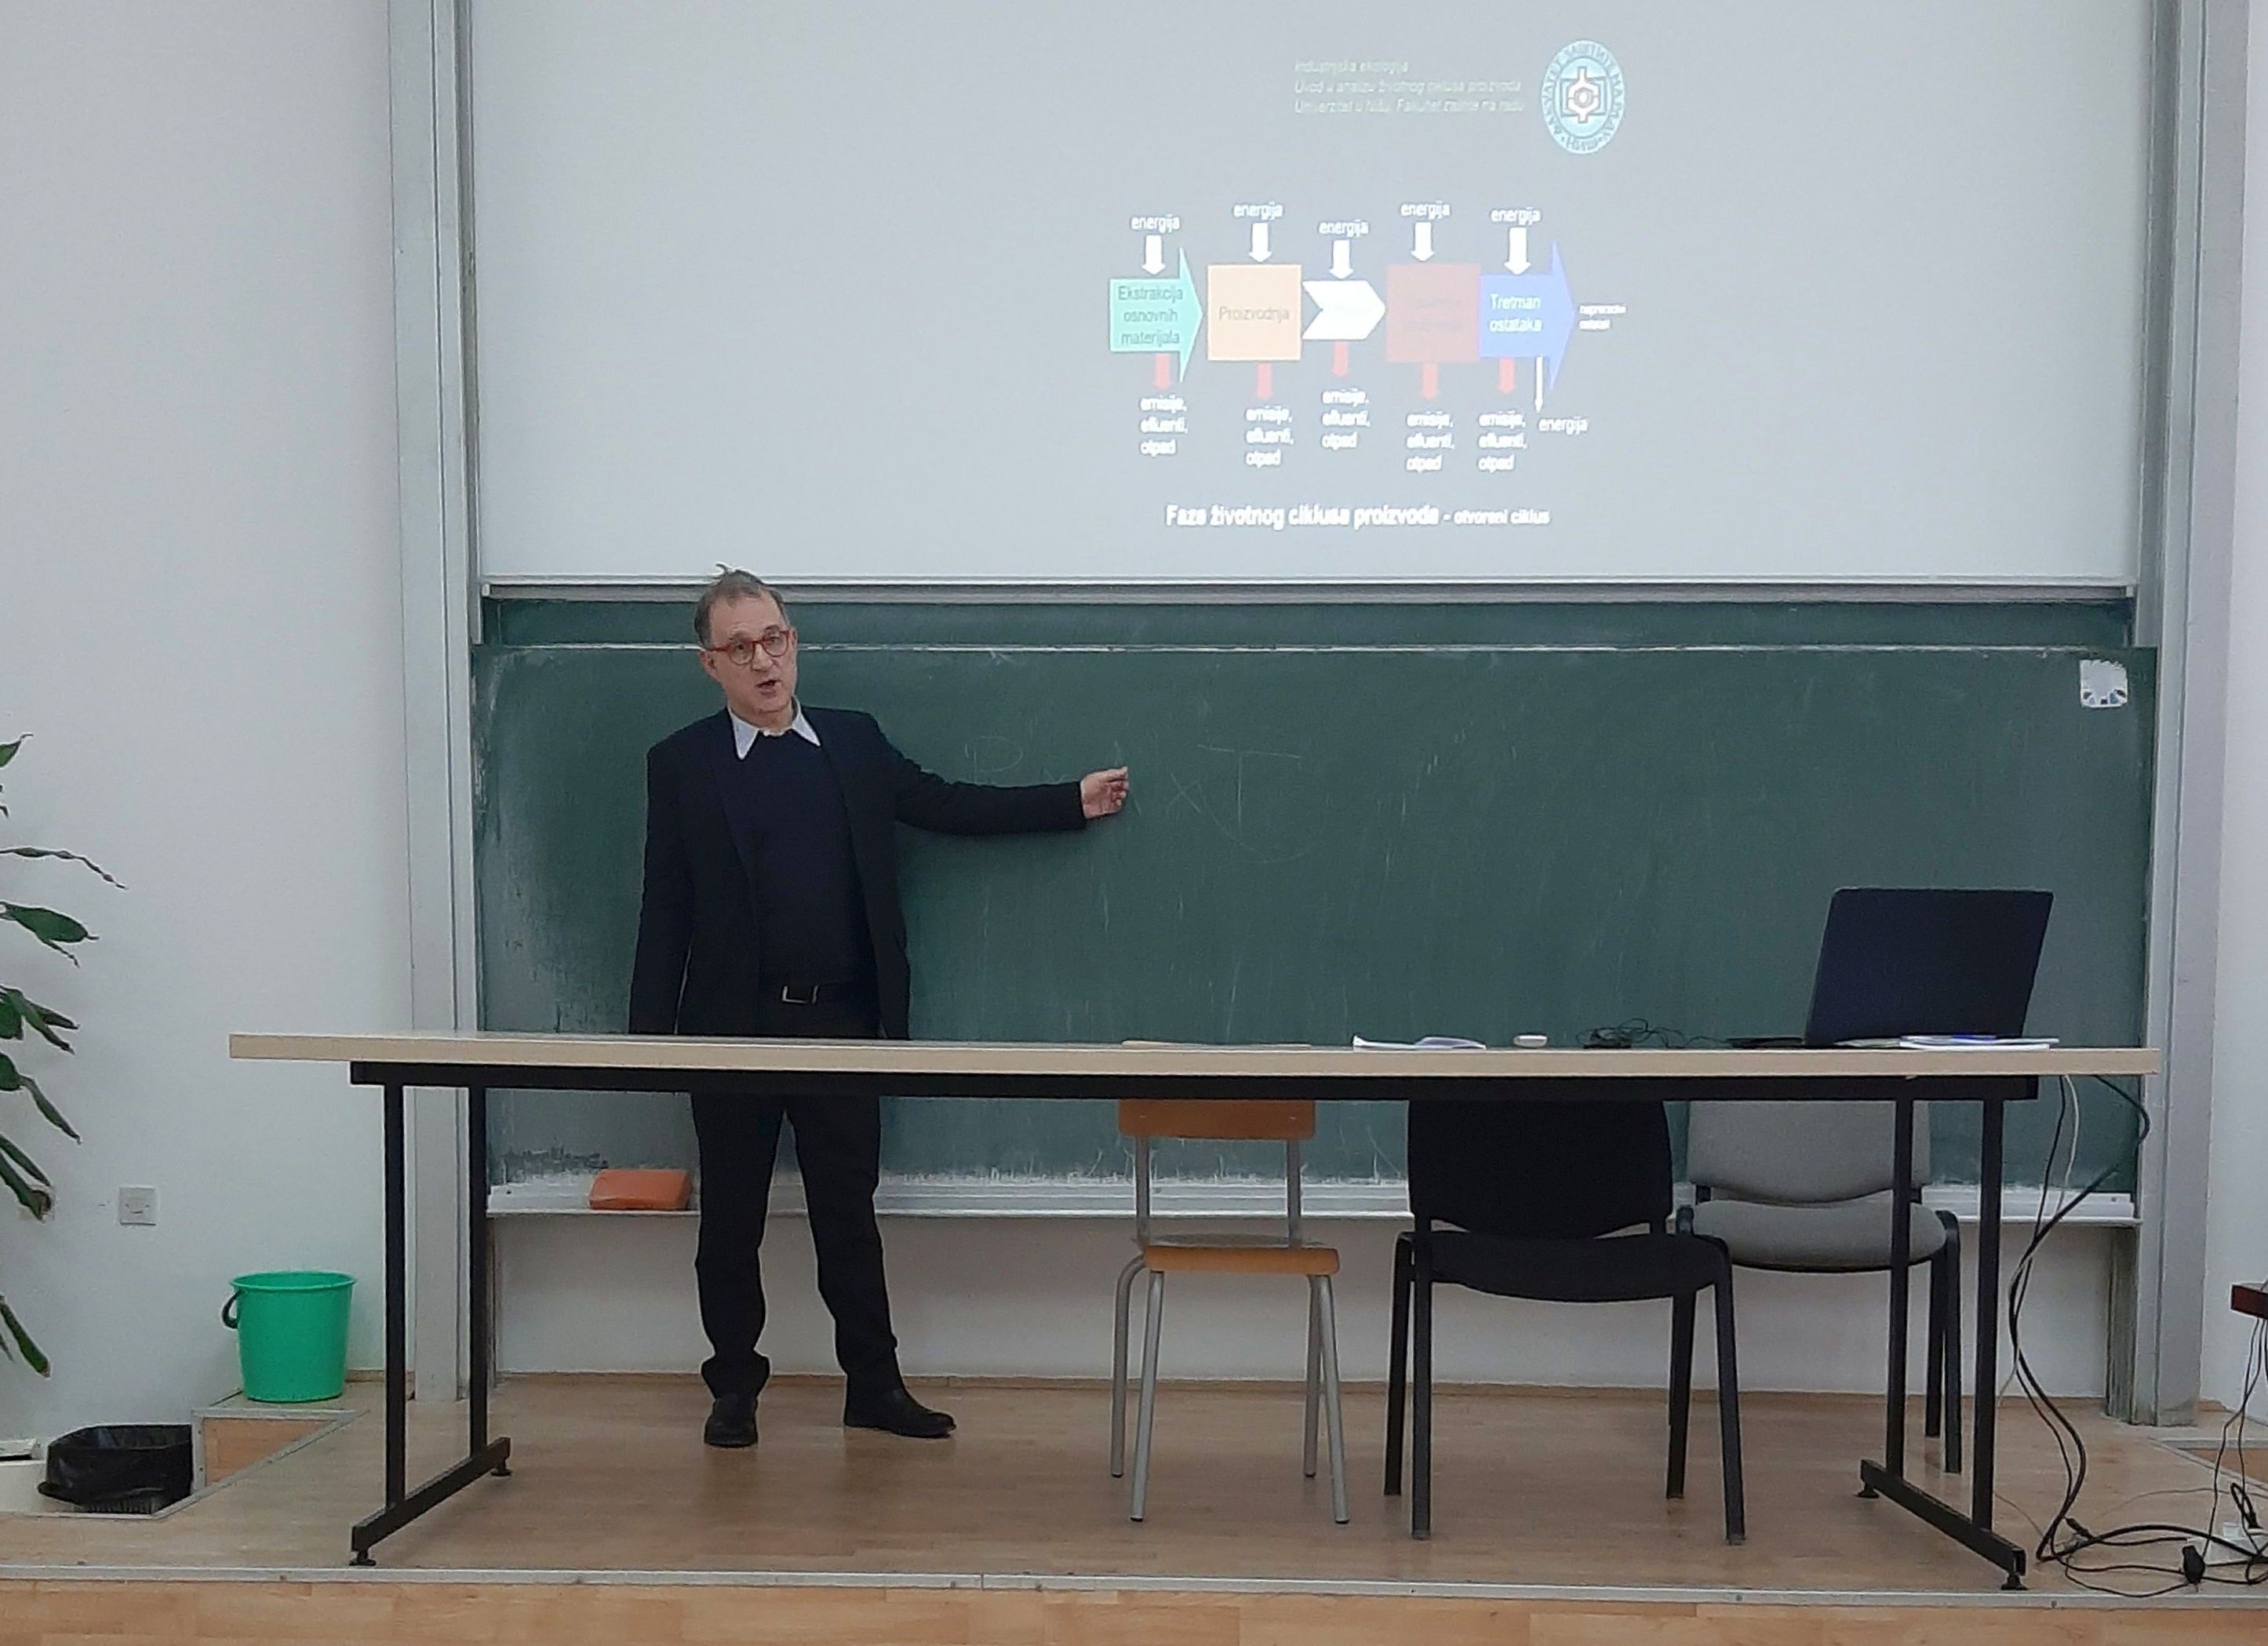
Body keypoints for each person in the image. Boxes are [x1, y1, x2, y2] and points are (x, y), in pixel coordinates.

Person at [629, 570, 1128, 1447]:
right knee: (731, 1220)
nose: (763, 661)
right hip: (732, 1031)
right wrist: (646, 1044)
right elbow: (664, 905)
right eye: (741, 648)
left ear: (794, 642)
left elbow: (945, 804)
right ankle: (734, 1388)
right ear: (710, 663)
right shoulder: (682, 764)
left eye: (774, 639)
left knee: (848, 1218)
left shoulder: (852, 744)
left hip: (843, 1025)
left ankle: (873, 1385)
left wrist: (1066, 802)